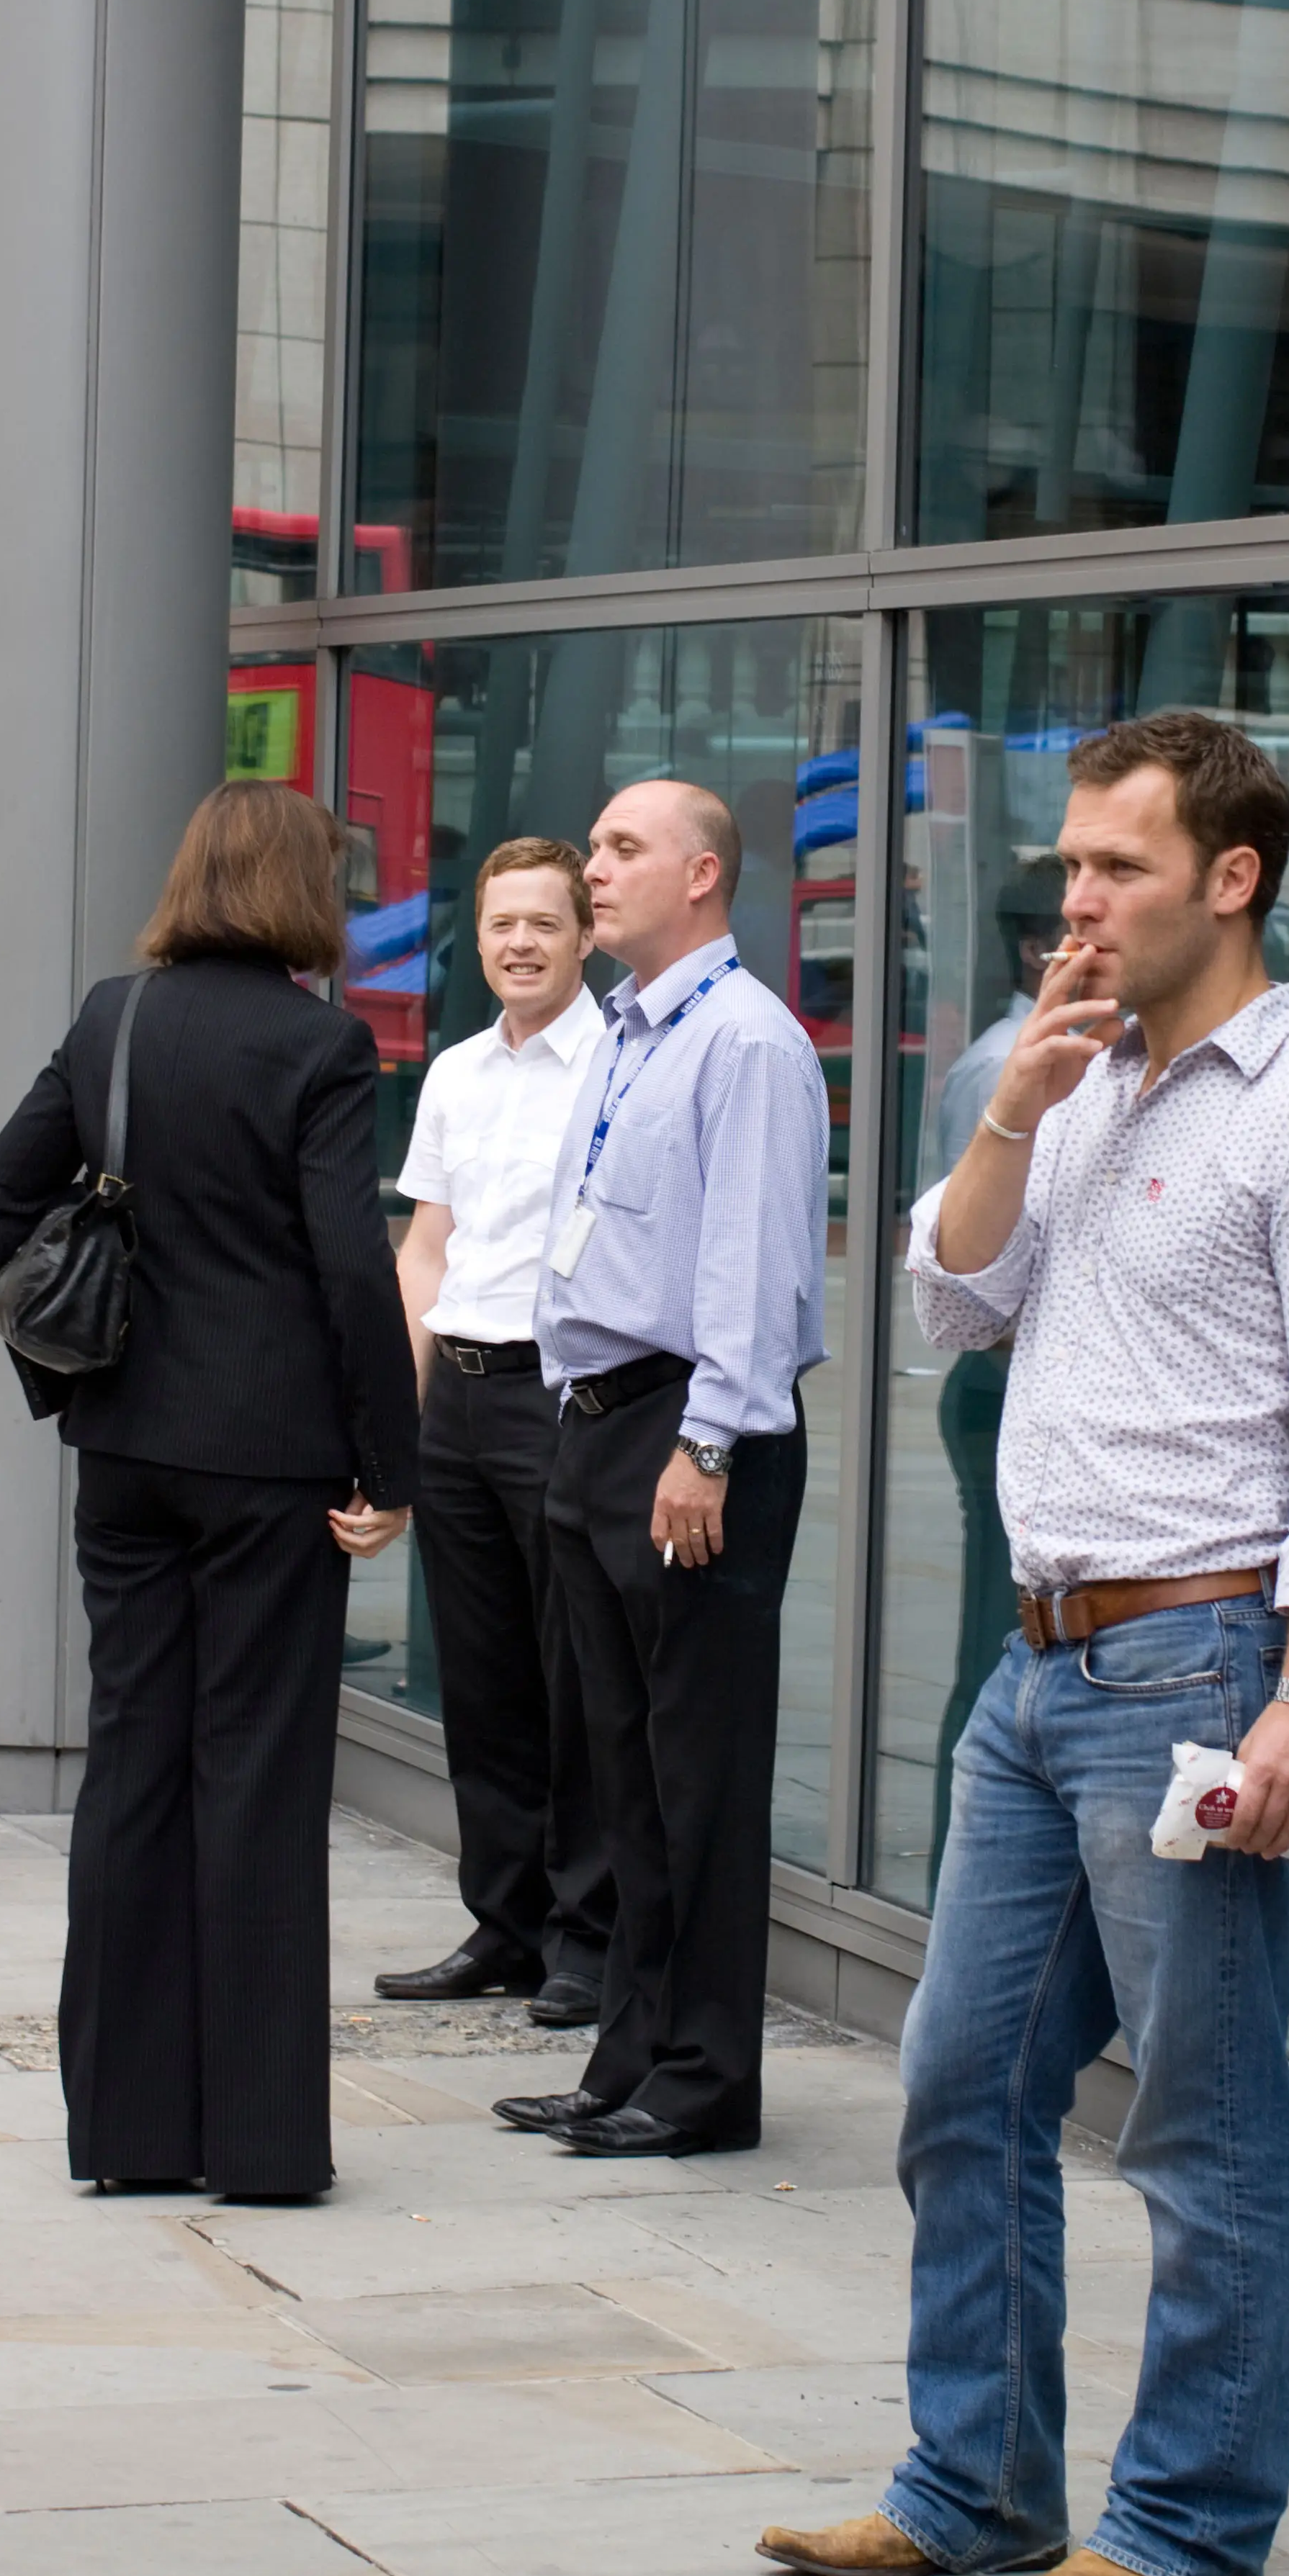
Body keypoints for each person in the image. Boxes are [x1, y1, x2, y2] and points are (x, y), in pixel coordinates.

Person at [759, 710, 1289, 2576]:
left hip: (1199, 1667)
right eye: (1065, 867)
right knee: (958, 2086)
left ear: (1230, 879)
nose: (1072, 901)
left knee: (1200, 2124)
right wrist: (1009, 1112)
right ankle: (970, 2486)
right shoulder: (1082, 1083)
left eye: (1112, 867)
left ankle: (1189, 2529)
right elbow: (947, 1300)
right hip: (1033, 1673)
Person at [0, 782, 421, 2202]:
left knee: (133, 1768)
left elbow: (2, 1188)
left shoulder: (113, 1019)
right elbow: (351, 1266)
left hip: (126, 1454)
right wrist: (385, 1462)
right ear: (301, 894)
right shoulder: (319, 1044)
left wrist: (71, 1381)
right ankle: (262, 2143)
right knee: (258, 1782)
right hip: (270, 1464)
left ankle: (123, 2133)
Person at [494, 778, 828, 2161]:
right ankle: (627, 2050)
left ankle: (703, 2079)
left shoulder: (743, 1042)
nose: (594, 869)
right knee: (621, 1769)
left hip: (694, 1434)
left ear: (702, 876)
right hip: (602, 1422)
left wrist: (705, 1445)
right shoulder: (632, 1033)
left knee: (696, 1774)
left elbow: (754, 1268)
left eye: (622, 848)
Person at [372, 837, 614, 2025]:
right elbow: (426, 1249)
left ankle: (584, 1936)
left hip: (559, 1397)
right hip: (455, 1399)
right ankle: (504, 1922)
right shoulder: (456, 1072)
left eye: (541, 923)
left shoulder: (620, 1064)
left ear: (584, 937)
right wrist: (395, 1419)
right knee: (480, 1680)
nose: (517, 942)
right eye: (499, 924)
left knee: (575, 1678)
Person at [926, 853, 1067, 1892]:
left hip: (1025, 1377)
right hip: (1002, 1378)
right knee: (996, 1641)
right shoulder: (1007, 1064)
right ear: (1036, 948)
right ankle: (958, 1873)